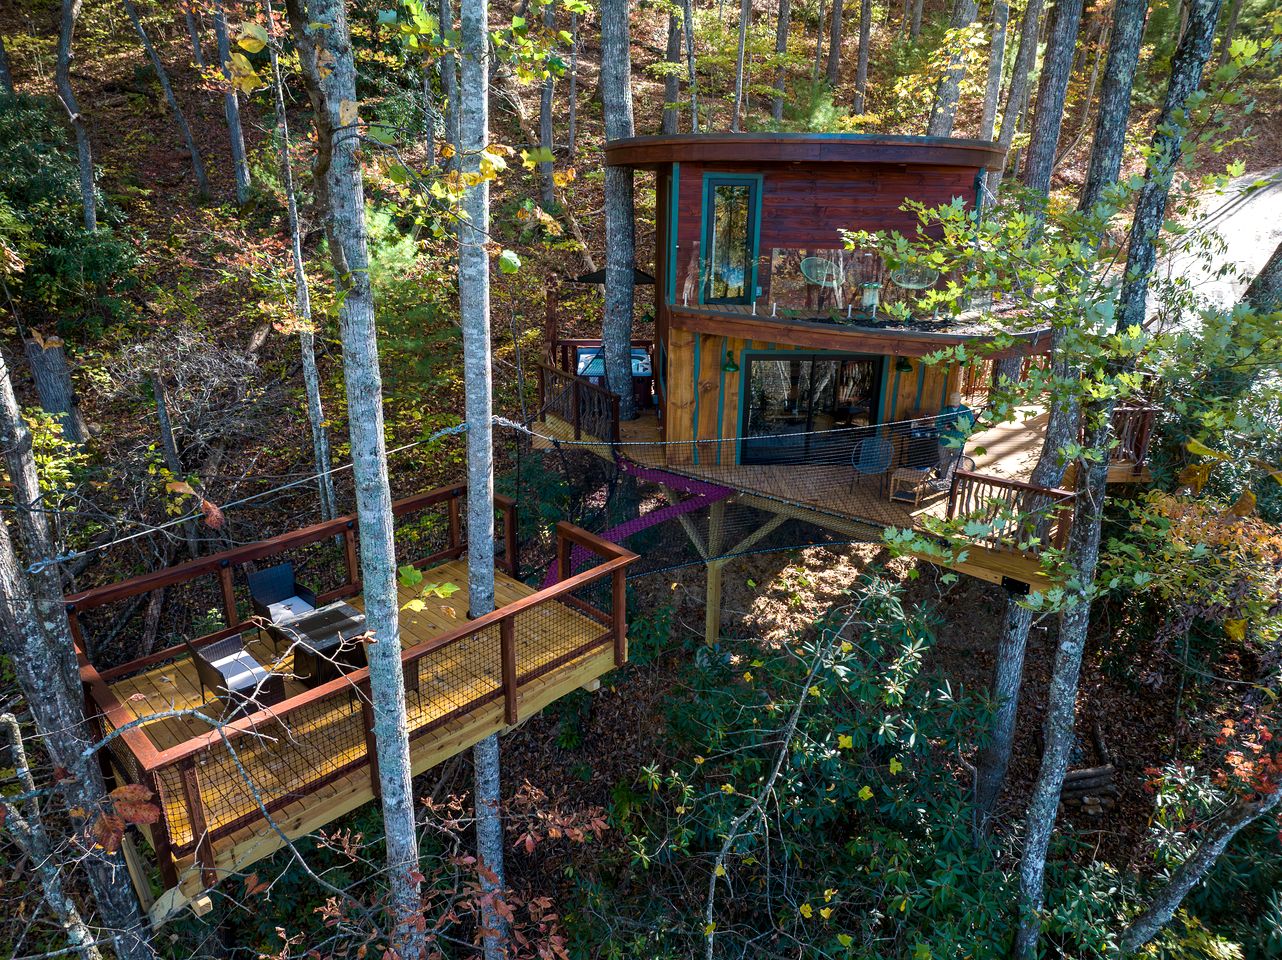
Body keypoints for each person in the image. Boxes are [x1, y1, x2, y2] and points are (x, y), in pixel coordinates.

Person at [936, 391, 975, 476]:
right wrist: (944, 427)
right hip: (944, 441)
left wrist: (962, 428)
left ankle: (957, 482)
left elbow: (971, 425)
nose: (954, 404)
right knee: (944, 463)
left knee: (958, 464)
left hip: (959, 441)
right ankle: (943, 479)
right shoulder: (944, 411)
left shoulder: (966, 411)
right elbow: (937, 423)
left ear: (960, 400)